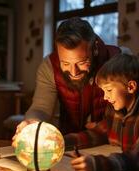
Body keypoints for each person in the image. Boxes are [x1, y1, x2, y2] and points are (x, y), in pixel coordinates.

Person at [12, 17, 120, 145]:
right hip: (69, 144)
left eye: (82, 62)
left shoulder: (118, 60)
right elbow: (41, 108)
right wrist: (32, 123)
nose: (74, 72)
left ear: (95, 48)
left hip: (110, 143)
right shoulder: (49, 67)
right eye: (65, 63)